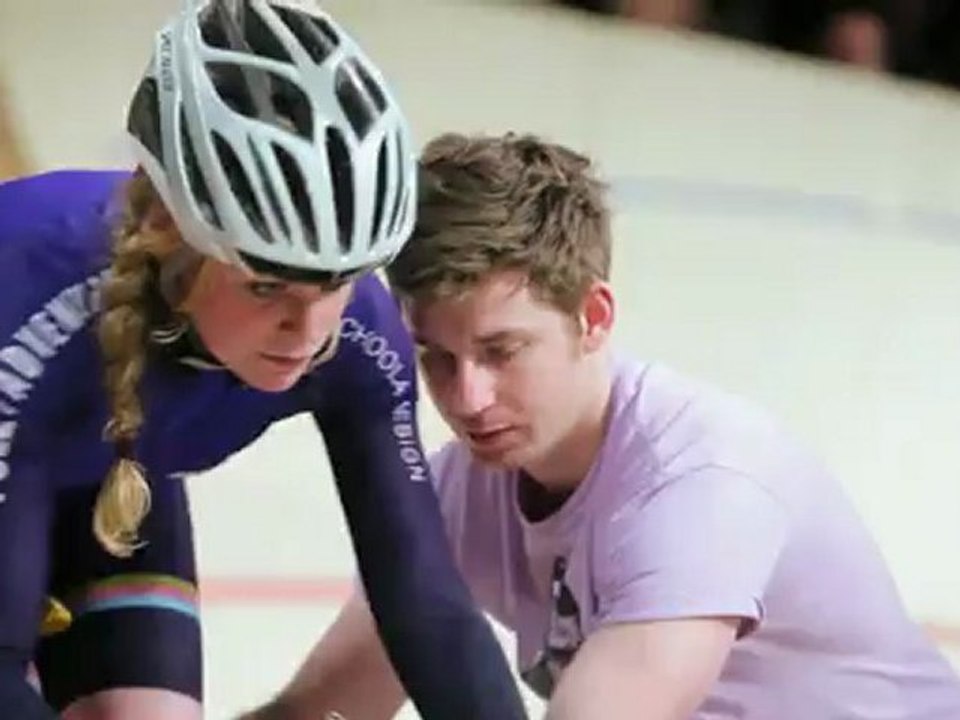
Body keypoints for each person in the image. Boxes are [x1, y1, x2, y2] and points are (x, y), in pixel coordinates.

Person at [252, 131, 960, 719]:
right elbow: (323, 708)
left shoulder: (699, 488)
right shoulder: (462, 490)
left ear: (593, 317)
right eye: (436, 357)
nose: (466, 398)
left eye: (502, 351)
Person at [0, 3, 527, 719]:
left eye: (335, 284)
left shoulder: (359, 333)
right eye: (265, 286)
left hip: (104, 480)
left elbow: (428, 608)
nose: (306, 331)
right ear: (168, 230)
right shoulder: (31, 306)